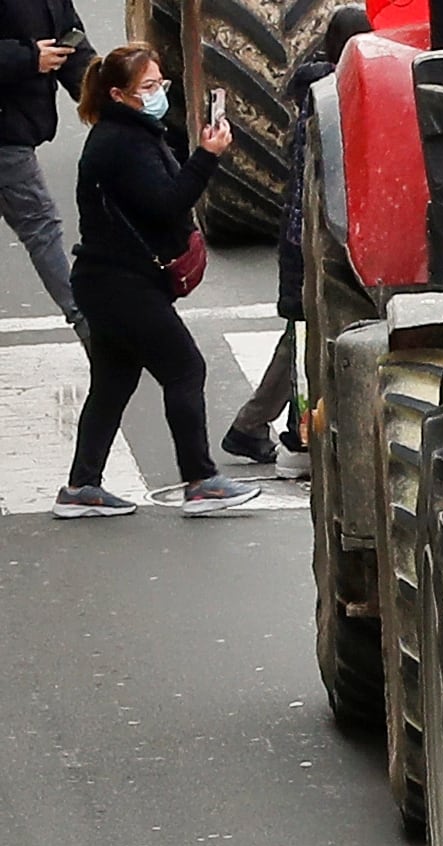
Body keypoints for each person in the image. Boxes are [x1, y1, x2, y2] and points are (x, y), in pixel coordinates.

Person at [55, 42, 258, 517]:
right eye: (148, 87)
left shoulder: (133, 133)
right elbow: (168, 202)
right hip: (121, 284)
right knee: (185, 368)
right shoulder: (121, 143)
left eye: (160, 84)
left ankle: (82, 487)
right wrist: (207, 156)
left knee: (112, 383)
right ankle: (201, 480)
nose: (158, 94)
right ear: (119, 94)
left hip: (108, 282)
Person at [222, 2, 369, 467]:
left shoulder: (313, 94)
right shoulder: (334, 100)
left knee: (301, 331)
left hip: (300, 237)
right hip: (316, 239)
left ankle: (269, 426)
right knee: (307, 333)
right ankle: (263, 425)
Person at [0, 0, 93, 333]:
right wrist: (28, 58)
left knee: (41, 228)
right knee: (41, 228)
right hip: (7, 135)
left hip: (16, 129)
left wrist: (105, 95)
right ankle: (88, 324)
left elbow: (71, 43)